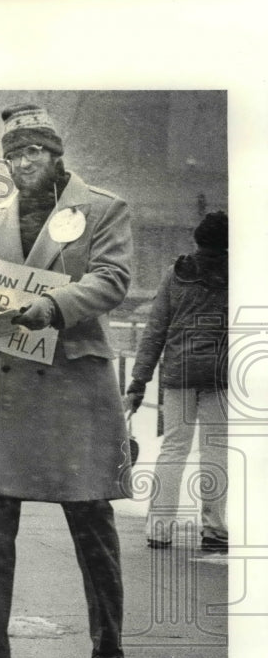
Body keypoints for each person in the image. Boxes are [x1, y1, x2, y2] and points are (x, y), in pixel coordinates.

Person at [0, 103, 132, 658]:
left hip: (72, 382)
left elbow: (112, 279)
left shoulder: (102, 208)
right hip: (3, 378)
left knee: (89, 514)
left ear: (56, 155)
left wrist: (51, 306)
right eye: (14, 155)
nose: (24, 162)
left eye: (34, 152)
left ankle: (107, 640)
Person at [126, 211, 229, 552]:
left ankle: (159, 528)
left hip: (179, 374)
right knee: (215, 451)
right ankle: (214, 530)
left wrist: (138, 381)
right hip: (220, 377)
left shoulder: (176, 274)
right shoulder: (237, 276)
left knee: (173, 449)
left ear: (197, 241)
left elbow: (155, 331)